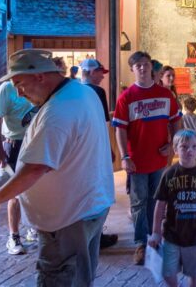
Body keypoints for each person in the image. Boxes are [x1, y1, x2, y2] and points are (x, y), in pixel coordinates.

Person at [0, 49, 114, 287]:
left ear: (40, 77)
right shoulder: (83, 92)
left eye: (19, 83)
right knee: (81, 275)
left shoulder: (57, 112)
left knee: (58, 278)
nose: (18, 93)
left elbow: (34, 169)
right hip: (90, 205)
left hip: (67, 217)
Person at [113, 50, 181, 265]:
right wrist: (124, 156)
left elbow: (176, 122)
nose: (142, 68)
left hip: (159, 161)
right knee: (139, 202)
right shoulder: (126, 98)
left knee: (157, 201)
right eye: (137, 65)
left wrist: (172, 144)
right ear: (132, 70)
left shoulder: (166, 95)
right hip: (137, 161)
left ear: (152, 67)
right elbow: (120, 129)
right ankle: (140, 243)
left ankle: (154, 238)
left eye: (145, 64)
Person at [148, 129, 196, 287]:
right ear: (175, 149)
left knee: (195, 274)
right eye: (184, 146)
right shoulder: (169, 174)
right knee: (167, 272)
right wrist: (156, 232)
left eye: (194, 146)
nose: (189, 151)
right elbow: (160, 204)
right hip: (172, 235)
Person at [0, 77, 38, 255]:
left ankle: (32, 227)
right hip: (15, 143)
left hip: (36, 142)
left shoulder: (37, 84)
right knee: (15, 192)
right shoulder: (6, 89)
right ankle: (14, 236)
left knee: (37, 188)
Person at [78, 58, 118, 249]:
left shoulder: (74, 91)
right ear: (90, 72)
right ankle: (96, 235)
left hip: (80, 150)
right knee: (98, 189)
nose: (102, 76)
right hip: (96, 149)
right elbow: (103, 124)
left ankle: (86, 234)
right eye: (99, 72)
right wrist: (109, 147)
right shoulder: (98, 92)